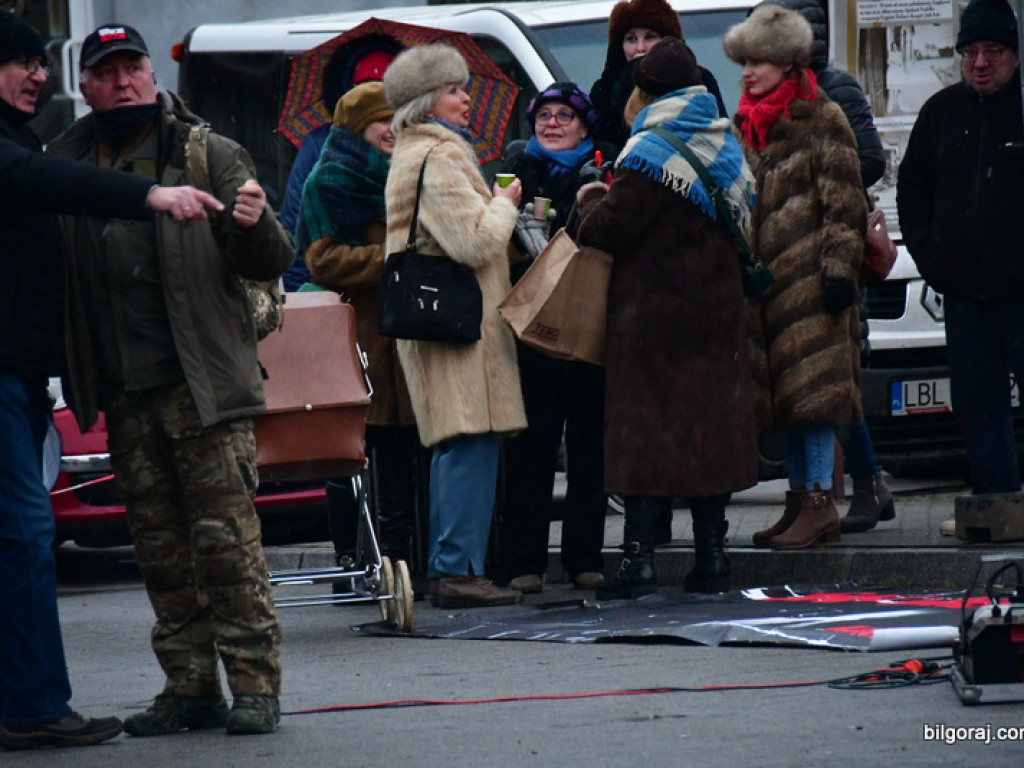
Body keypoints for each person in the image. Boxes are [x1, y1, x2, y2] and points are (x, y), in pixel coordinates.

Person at [47, 23, 293, 736]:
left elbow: (268, 261)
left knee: (225, 545)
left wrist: (253, 223)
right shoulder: (68, 161)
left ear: (152, 75)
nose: (124, 81)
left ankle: (253, 686)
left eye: (134, 67)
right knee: (159, 551)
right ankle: (189, 686)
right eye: (108, 71)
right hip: (124, 392)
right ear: (85, 86)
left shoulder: (206, 153)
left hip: (202, 389)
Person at [0, 11, 221, 752]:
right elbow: (39, 180)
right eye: (25, 61)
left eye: (43, 61)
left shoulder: (201, 147)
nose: (40, 74)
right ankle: (31, 706)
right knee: (24, 537)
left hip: (26, 376)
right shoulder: (33, 152)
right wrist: (150, 195)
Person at [575, 37, 759, 598]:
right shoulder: (724, 140)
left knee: (643, 433)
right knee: (710, 431)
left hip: (653, 319)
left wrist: (589, 203)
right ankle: (713, 560)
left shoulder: (652, 148)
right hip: (717, 313)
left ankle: (639, 563)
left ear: (647, 91)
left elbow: (611, 229)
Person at [382, 44, 526, 608]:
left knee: (455, 442)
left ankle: (451, 569)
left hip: (440, 322)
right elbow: (474, 242)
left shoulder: (414, 152)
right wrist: (505, 202)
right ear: (427, 102)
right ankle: (457, 570)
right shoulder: (438, 157)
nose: (465, 97)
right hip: (459, 326)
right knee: (469, 440)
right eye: (453, 89)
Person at [723, 4, 867, 549]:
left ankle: (819, 505)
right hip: (766, 293)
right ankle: (798, 500)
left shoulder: (820, 115)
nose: (749, 71)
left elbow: (844, 201)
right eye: (745, 61)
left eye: (759, 61)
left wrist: (836, 272)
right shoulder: (749, 121)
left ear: (786, 63)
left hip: (809, 288)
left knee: (813, 402)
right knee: (784, 405)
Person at [769, 0, 895, 534]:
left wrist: (808, 187)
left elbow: (866, 162)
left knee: (832, 381)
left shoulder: (833, 93)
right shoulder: (771, 103)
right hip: (792, 262)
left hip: (828, 254)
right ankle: (858, 488)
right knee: (819, 382)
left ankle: (865, 486)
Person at [897, 0, 1024, 513]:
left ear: (1014, 56)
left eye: (992, 51)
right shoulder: (941, 112)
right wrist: (931, 257)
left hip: (1020, 290)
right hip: (965, 293)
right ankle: (996, 502)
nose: (980, 63)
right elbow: (912, 188)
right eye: (970, 52)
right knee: (977, 403)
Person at [495, 83, 614, 594]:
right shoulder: (515, 174)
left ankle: (584, 558)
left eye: (565, 115)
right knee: (531, 448)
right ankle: (526, 561)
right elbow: (496, 244)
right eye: (544, 115)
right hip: (533, 329)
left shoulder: (606, 173)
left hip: (591, 324)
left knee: (590, 449)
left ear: (585, 127)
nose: (553, 123)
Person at [298, 81, 420, 571]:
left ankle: (397, 558)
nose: (391, 129)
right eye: (379, 121)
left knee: (397, 450)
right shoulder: (327, 181)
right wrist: (390, 258)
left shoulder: (408, 175)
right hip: (356, 337)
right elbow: (322, 261)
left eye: (396, 119)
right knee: (351, 453)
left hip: (403, 329)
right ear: (355, 128)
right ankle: (349, 559)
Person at [280, 35, 401, 290]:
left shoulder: (414, 155)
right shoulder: (323, 155)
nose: (377, 94)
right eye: (367, 86)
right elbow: (299, 234)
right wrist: (303, 305)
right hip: (344, 306)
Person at [589, 0, 728, 156]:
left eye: (650, 37)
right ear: (619, 45)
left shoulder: (699, 80)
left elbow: (720, 139)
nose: (640, 48)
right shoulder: (605, 90)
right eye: (631, 39)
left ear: (669, 41)